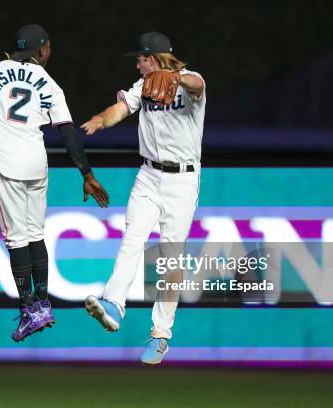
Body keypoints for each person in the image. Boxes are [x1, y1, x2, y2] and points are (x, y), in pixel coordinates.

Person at [0, 24, 109, 342]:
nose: (50, 53)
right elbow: (67, 132)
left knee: (17, 241)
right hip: (36, 163)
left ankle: (30, 309)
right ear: (40, 50)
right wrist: (86, 173)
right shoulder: (49, 83)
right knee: (35, 235)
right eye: (48, 48)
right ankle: (43, 304)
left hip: (6, 164)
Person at [81, 32, 205, 364]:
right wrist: (101, 121)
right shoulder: (142, 85)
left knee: (170, 260)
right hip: (148, 176)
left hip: (183, 180)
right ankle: (113, 305)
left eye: (140, 58)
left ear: (153, 58)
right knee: (132, 238)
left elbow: (197, 86)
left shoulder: (186, 80)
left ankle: (160, 335)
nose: (137, 64)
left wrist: (174, 76)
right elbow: (120, 109)